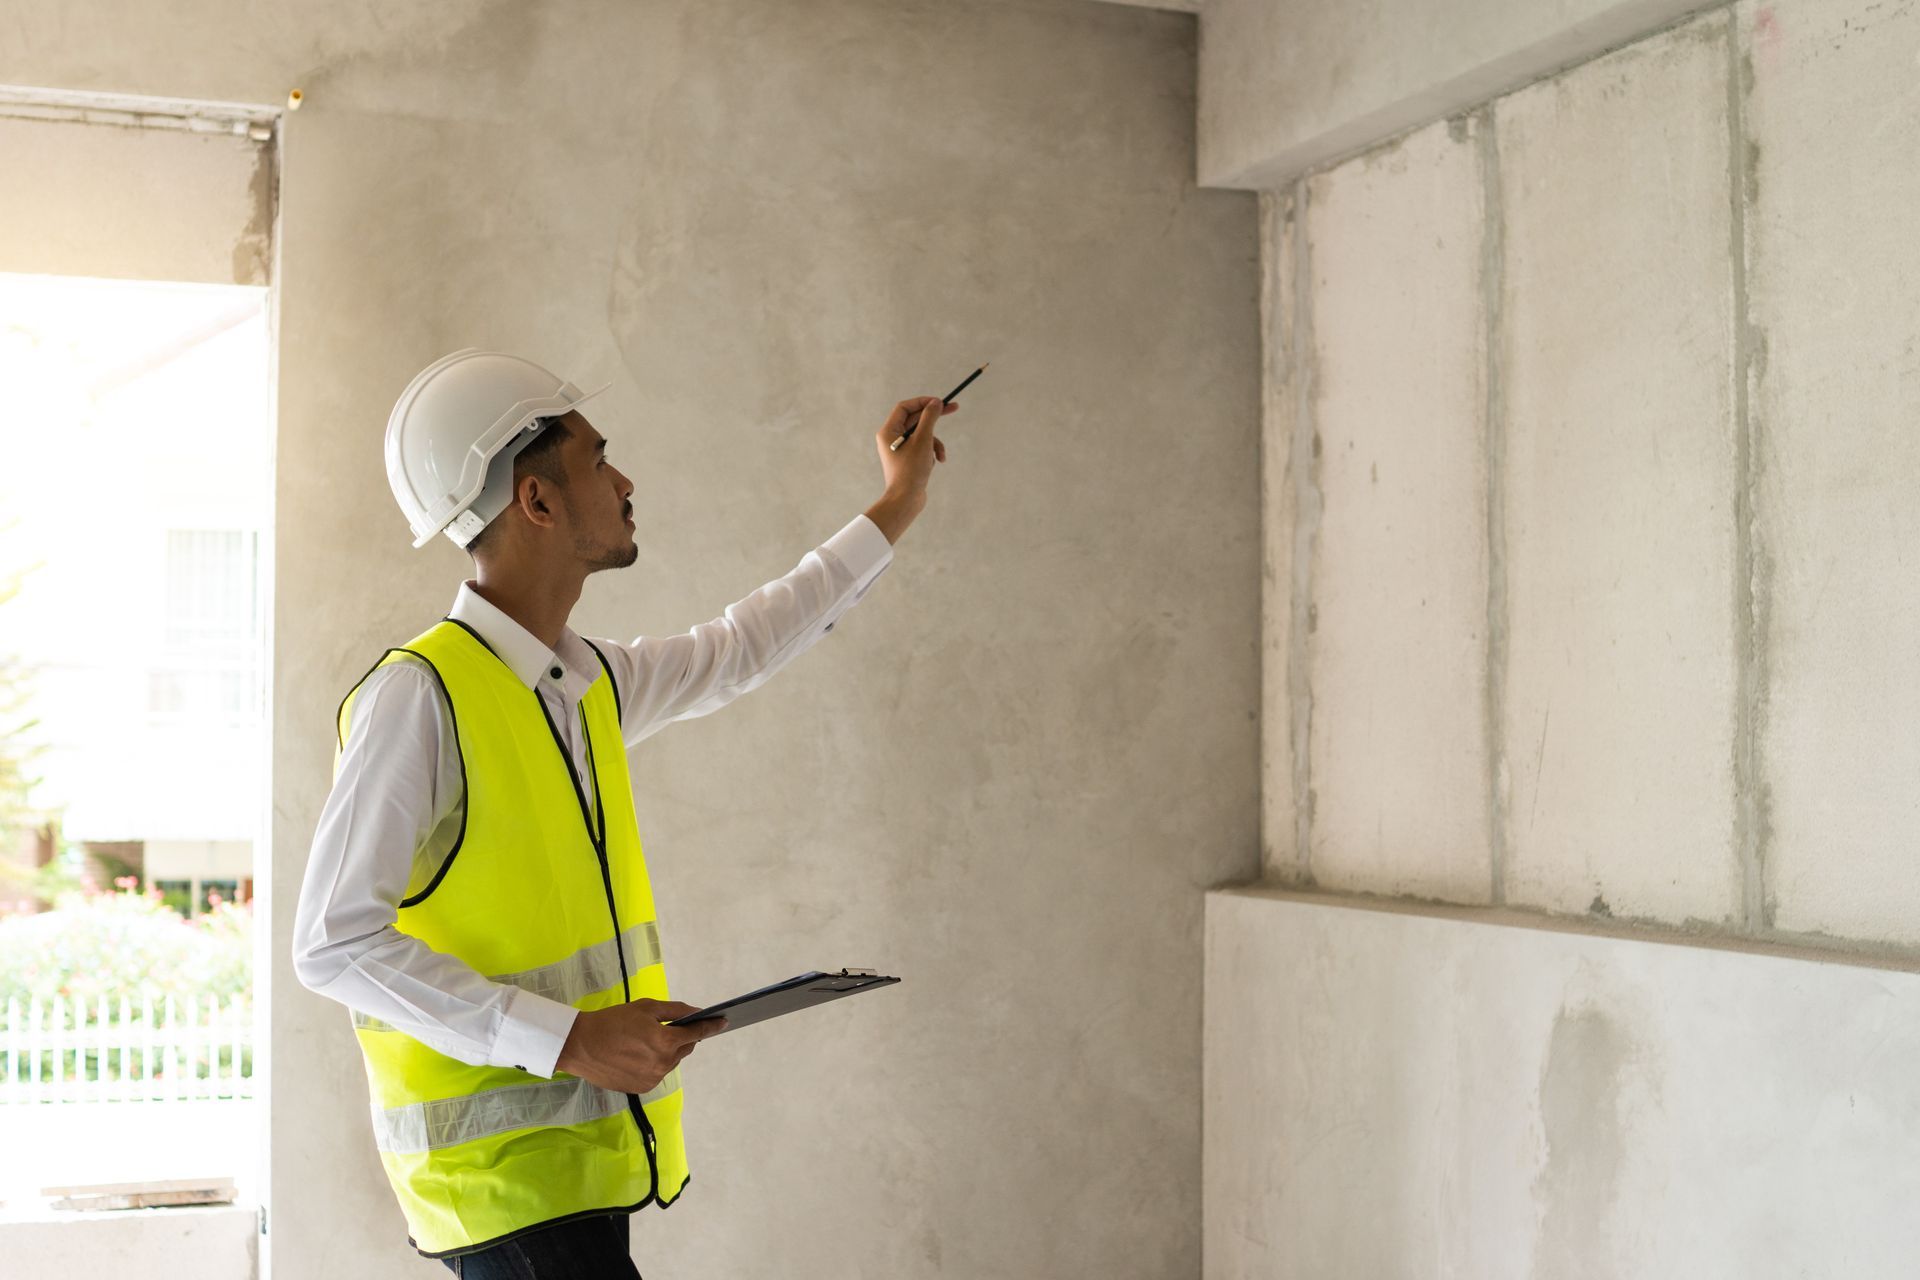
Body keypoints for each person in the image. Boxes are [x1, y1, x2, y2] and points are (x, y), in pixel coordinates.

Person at [291, 349, 953, 1277]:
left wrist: (898, 503)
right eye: (600, 459)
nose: (625, 479)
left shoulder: (577, 683)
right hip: (509, 1202)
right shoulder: (421, 698)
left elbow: (742, 646)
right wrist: (566, 1040)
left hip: (579, 1189)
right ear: (538, 501)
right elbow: (332, 943)